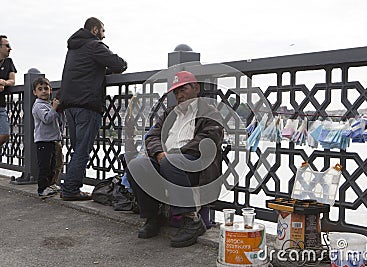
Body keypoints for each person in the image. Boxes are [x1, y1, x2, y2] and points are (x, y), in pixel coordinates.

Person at [127, 71, 224, 248]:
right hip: (166, 161)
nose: (179, 95)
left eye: (183, 90)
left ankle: (191, 220)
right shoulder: (170, 113)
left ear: (196, 88)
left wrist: (174, 153)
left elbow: (208, 140)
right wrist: (159, 153)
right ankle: (153, 216)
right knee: (136, 165)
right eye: (176, 92)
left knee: (171, 162)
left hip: (195, 166)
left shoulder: (210, 112)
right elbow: (152, 136)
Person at [59, 17, 127, 201]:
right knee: (82, 150)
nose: (104, 36)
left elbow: (85, 70)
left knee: (77, 149)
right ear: (95, 29)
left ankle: (69, 185)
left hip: (70, 106)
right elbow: (119, 64)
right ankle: (71, 189)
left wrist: (99, 71)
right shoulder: (94, 45)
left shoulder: (74, 48)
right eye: (103, 31)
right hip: (87, 105)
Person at [31, 77, 63, 198]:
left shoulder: (46, 104)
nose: (44, 91)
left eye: (46, 88)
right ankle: (42, 189)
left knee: (53, 165)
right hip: (43, 141)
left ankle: (50, 185)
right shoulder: (38, 106)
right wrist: (54, 108)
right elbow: (47, 119)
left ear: (50, 90)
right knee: (44, 166)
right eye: (40, 89)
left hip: (51, 140)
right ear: (35, 92)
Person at [0, 35, 16, 147]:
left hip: (1, 105)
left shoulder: (9, 62)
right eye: (7, 46)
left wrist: (4, 83)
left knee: (5, 135)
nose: (10, 48)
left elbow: (12, 81)